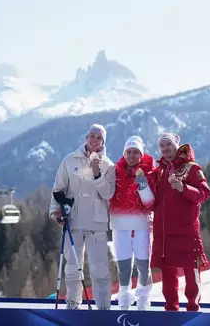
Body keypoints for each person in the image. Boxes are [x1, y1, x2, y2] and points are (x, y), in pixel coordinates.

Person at [48, 124, 116, 310]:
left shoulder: (108, 165)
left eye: (99, 137)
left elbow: (109, 193)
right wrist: (56, 212)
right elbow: (58, 189)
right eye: (92, 135)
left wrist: (97, 174)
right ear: (86, 137)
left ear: (103, 142)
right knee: (72, 266)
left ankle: (103, 306)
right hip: (74, 221)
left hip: (97, 222)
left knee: (99, 267)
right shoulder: (69, 160)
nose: (94, 140)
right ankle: (73, 302)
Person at [151, 133, 210, 312]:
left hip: (186, 230)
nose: (165, 149)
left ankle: (193, 308)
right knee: (168, 275)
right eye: (162, 146)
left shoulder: (192, 168)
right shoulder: (159, 171)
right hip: (163, 232)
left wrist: (184, 188)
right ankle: (171, 310)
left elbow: (204, 193)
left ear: (176, 147)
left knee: (190, 271)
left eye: (168, 145)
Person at [110, 135, 156, 310]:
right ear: (124, 153)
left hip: (142, 226)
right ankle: (124, 298)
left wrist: (142, 181)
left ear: (141, 154)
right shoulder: (115, 172)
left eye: (135, 152)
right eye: (128, 152)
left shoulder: (149, 172)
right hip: (120, 225)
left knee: (143, 264)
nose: (131, 156)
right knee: (123, 265)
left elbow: (150, 203)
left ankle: (143, 298)